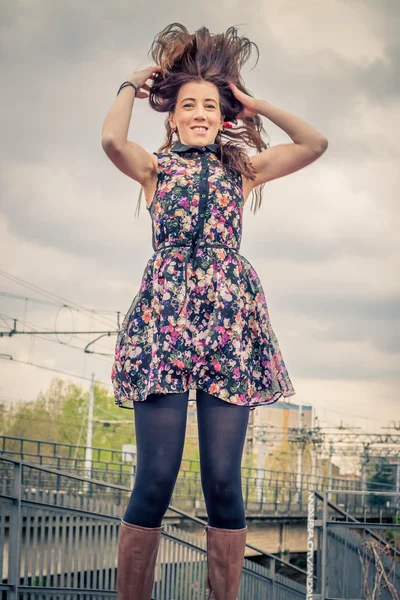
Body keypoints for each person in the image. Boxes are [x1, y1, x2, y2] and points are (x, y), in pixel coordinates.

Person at [102, 23, 328, 600]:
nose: (199, 112)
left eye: (210, 104)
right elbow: (110, 142)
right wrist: (129, 85)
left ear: (221, 115)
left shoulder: (242, 170)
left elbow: (313, 142)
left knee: (224, 481)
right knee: (154, 479)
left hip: (229, 322)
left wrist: (254, 105)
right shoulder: (154, 169)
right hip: (163, 323)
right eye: (188, 105)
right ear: (173, 117)